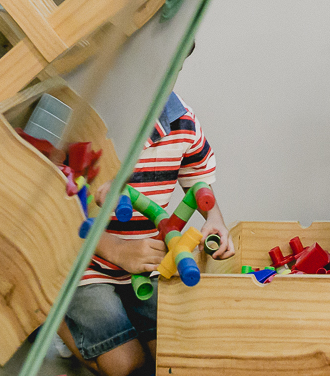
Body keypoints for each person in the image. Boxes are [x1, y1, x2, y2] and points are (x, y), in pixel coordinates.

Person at [58, 90, 235, 376]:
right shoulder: (82, 121)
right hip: (84, 263)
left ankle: (119, 319)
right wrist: (116, 249)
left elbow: (197, 179)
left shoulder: (182, 122)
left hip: (145, 263)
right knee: (125, 365)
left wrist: (214, 218)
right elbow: (55, 211)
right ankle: (50, 318)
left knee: (168, 357)